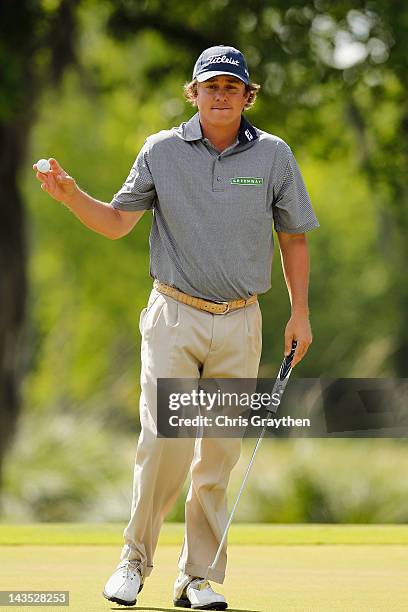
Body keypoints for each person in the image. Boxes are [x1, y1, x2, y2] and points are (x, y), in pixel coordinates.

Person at [33, 45, 319, 610]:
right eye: (210, 86)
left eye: (231, 88)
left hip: (240, 320)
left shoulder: (273, 155)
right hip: (174, 314)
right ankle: (134, 561)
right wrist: (71, 197)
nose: (220, 95)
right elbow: (117, 223)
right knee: (164, 440)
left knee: (216, 453)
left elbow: (294, 237)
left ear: (246, 96)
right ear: (194, 92)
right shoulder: (161, 150)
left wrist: (301, 311)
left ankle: (198, 578)